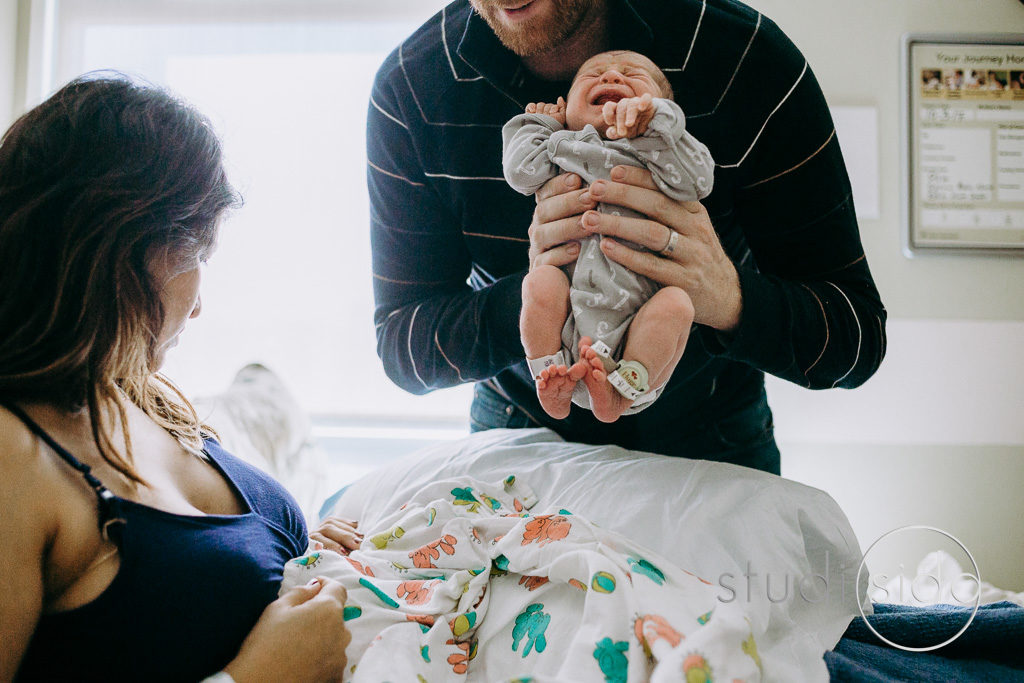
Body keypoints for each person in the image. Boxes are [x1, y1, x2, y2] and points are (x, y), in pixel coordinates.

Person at [367, 0, 887, 475]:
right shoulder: (413, 87)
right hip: (520, 453)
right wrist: (543, 291)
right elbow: (402, 348)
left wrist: (728, 297)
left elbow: (854, 338)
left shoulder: (749, 60)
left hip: (716, 453)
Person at [0, 74, 357, 682]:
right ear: (119, 249)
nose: (197, 307)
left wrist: (290, 556)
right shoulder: (14, 454)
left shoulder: (135, 391)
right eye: (196, 259)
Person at [504, 50, 713, 422]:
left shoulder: (661, 152)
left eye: (633, 74)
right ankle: (550, 381)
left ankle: (622, 391)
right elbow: (521, 173)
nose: (612, 77)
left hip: (642, 322)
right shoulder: (563, 146)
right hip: (567, 322)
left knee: (678, 305)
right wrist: (539, 125)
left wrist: (660, 126)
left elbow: (699, 180)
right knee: (540, 282)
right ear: (568, 110)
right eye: (593, 75)